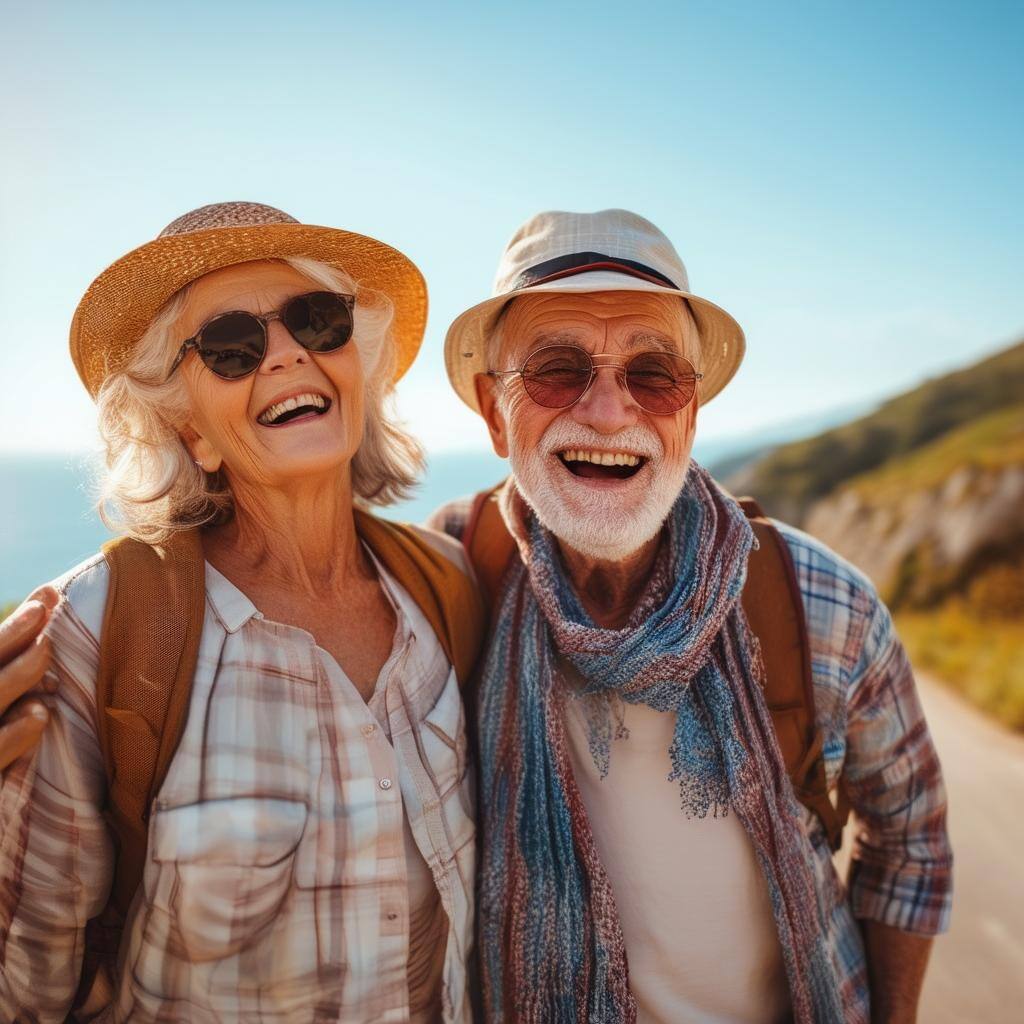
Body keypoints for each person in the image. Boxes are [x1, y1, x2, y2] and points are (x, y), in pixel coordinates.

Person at [431, 209, 953, 1023]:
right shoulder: (453, 578)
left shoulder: (821, 601)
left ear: (691, 411)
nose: (609, 413)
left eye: (653, 374)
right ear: (494, 412)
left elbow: (912, 842)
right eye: (558, 368)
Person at [0, 202, 483, 1022]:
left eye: (317, 321)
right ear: (190, 431)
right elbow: (25, 989)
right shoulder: (96, 632)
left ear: (355, 366)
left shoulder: (446, 585)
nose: (289, 353)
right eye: (232, 346)